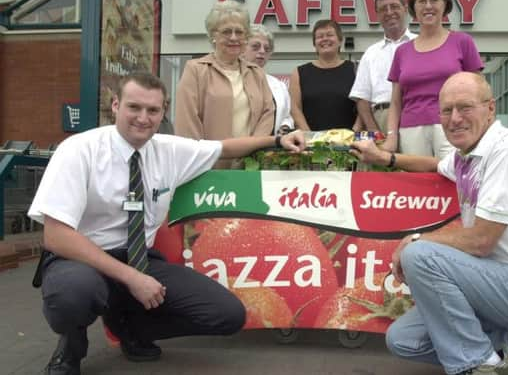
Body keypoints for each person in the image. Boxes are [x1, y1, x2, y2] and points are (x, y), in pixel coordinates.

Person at [29, 72, 305, 375]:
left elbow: (224, 147)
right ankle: (71, 347)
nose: (143, 118)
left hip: (138, 258)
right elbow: (56, 236)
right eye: (134, 107)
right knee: (73, 294)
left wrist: (278, 139)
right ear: (116, 106)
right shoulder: (79, 150)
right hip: (80, 259)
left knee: (227, 315)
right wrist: (133, 279)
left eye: (153, 110)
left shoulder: (169, 150)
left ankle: (130, 328)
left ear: (163, 113)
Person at [351, 72, 508, 375]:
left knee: (419, 254)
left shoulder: (507, 149)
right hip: (497, 287)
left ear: (490, 108)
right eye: (446, 110)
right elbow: (433, 164)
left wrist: (416, 239)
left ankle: (484, 365)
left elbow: (482, 240)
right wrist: (384, 158)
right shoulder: (467, 156)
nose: (454, 118)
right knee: (403, 339)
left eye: (465, 107)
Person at [383, 0, 484, 158]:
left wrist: (481, 129)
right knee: (416, 184)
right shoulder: (402, 52)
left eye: (434, 0)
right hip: (411, 130)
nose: (428, 6)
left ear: (445, 5)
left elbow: (480, 92)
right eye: (422, 1)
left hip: (454, 125)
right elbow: (396, 102)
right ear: (413, 9)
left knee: (454, 181)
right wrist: (391, 136)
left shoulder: (462, 42)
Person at [174, 0, 275, 168]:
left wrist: (252, 151)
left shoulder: (256, 73)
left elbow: (267, 114)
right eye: (227, 31)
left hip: (248, 166)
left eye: (239, 32)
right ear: (213, 35)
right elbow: (187, 123)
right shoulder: (196, 70)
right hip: (207, 167)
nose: (234, 37)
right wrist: (200, 160)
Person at [348, 0, 416, 134]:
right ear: (377, 15)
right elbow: (362, 98)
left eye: (394, 6)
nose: (389, 12)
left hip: (415, 114)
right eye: (383, 9)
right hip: (381, 119)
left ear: (405, 9)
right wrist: (374, 131)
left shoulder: (421, 43)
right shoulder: (371, 53)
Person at [289, 19, 358, 131]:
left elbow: (363, 107)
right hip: (310, 144)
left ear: (340, 41)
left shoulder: (355, 70)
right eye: (320, 36)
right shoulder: (299, 73)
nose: (325, 39)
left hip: (349, 142)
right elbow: (295, 109)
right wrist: (309, 136)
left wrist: (353, 133)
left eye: (330, 35)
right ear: (314, 44)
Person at [242, 24, 294, 135]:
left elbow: (286, 116)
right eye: (255, 47)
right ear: (242, 49)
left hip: (269, 149)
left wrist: (285, 126)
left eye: (267, 48)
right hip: (238, 148)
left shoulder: (279, 85)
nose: (262, 51)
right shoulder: (230, 80)